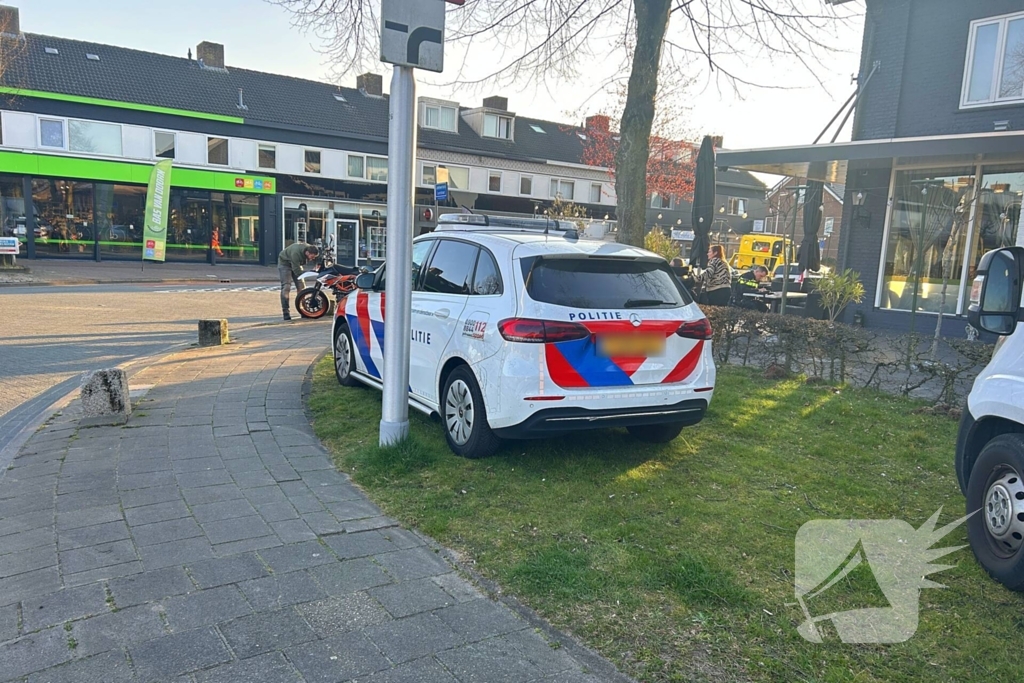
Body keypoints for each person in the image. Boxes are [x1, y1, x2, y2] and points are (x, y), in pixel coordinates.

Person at [278, 242, 319, 320]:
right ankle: (286, 311)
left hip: (296, 264)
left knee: (302, 288)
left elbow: (317, 259)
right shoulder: (295, 254)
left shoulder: (311, 249)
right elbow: (297, 271)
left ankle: (303, 311)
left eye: (314, 257)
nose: (312, 259)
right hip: (285, 263)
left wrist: (317, 265)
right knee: (286, 286)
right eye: (311, 257)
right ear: (307, 252)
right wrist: (307, 273)